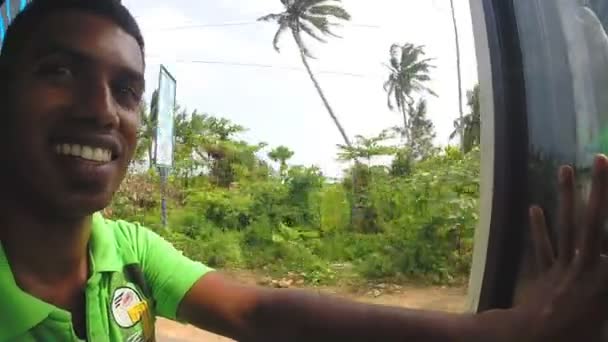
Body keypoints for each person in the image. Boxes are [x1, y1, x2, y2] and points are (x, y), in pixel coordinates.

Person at [1, 1, 608, 341]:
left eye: (127, 90)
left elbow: (259, 312)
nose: (101, 111)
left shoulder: (129, 251)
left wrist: (502, 331)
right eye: (60, 72)